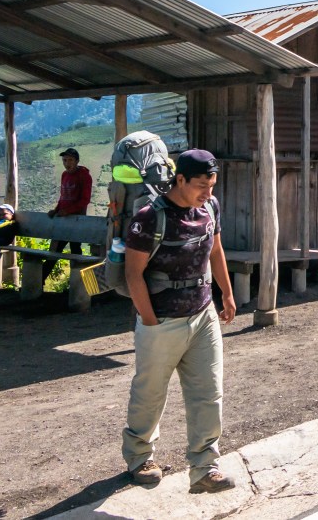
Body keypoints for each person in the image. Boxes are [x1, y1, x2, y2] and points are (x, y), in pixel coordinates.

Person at [121, 149, 237, 494]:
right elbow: (133, 273)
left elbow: (215, 250)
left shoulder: (209, 208)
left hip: (203, 316)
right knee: (150, 393)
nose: (208, 193)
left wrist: (226, 294)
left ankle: (204, 467)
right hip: (163, 322)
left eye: (212, 185)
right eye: (202, 185)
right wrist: (151, 321)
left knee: (209, 393)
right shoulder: (149, 217)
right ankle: (140, 456)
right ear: (180, 179)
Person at [42, 147, 94, 278]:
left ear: (77, 161)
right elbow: (63, 196)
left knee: (75, 253)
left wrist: (68, 211)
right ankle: (39, 281)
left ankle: (81, 285)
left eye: (70, 160)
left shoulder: (84, 176)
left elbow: (85, 200)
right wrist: (56, 210)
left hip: (77, 221)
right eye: (64, 160)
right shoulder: (64, 175)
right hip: (63, 221)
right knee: (54, 251)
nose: (67, 163)